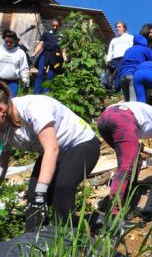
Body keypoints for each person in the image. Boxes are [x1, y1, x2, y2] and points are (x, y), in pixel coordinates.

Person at [0, 84, 100, 231]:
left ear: (1, 110)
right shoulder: (3, 127)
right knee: (33, 198)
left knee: (62, 189)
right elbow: (2, 161)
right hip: (53, 151)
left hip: (80, 144)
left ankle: (72, 237)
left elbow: (51, 149)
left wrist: (42, 193)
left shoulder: (34, 108)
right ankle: (33, 244)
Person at [97, 101, 152, 212]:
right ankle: (114, 213)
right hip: (122, 118)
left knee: (135, 160)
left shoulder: (146, 113)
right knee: (126, 167)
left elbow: (135, 146)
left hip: (104, 119)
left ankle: (126, 194)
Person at [119, 35, 152, 101]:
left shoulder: (128, 50)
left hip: (123, 77)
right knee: (133, 103)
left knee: (127, 102)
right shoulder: (145, 49)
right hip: (132, 75)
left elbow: (122, 63)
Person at [33, 19, 65, 94]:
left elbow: (63, 49)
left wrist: (65, 58)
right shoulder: (46, 33)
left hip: (56, 56)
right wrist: (34, 53)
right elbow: (40, 44)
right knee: (40, 73)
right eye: (53, 25)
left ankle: (46, 92)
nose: (54, 27)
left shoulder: (61, 36)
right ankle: (36, 91)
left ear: (59, 26)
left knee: (51, 74)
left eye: (56, 26)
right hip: (45, 54)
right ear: (51, 25)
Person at [105, 21, 133, 90]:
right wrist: (108, 61)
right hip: (115, 60)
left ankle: (122, 91)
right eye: (116, 27)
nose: (117, 28)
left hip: (125, 59)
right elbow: (110, 51)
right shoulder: (114, 40)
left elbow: (132, 48)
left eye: (119, 27)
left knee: (123, 75)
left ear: (124, 28)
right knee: (114, 77)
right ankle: (114, 91)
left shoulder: (130, 37)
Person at [0, 30, 29, 96]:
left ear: (15, 41)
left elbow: (24, 68)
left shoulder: (20, 53)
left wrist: (25, 81)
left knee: (11, 100)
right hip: (0, 80)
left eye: (11, 42)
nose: (8, 44)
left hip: (12, 82)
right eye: (6, 42)